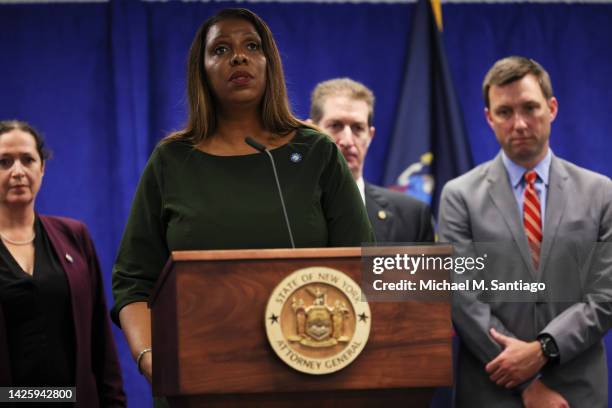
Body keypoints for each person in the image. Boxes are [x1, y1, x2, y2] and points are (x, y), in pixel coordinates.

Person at [111, 8, 373, 384]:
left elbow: (363, 263)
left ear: (270, 63)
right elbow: (133, 280)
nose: (238, 56)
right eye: (220, 49)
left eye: (252, 45)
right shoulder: (171, 161)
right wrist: (151, 358)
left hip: (308, 372)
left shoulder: (316, 152)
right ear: (200, 70)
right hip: (199, 375)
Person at [438, 56, 612, 407]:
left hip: (575, 391)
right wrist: (527, 381)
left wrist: (544, 349)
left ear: (552, 108)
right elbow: (463, 299)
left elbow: (605, 296)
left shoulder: (602, 193)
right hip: (492, 389)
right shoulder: (459, 196)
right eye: (504, 112)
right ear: (489, 117)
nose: (519, 123)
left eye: (530, 108)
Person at [0, 120, 125, 407]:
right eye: (4, 162)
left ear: (41, 168)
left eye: (27, 159)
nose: (17, 171)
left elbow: (101, 341)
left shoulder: (75, 237)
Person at [309, 78, 434, 243]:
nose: (347, 141)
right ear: (311, 132)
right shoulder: (286, 211)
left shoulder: (413, 216)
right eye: (335, 126)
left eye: (357, 128)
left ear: (370, 136)